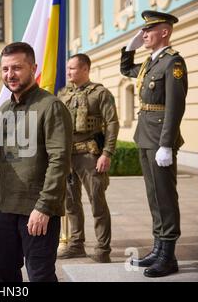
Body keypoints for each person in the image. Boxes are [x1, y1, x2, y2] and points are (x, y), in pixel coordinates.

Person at [0, 42, 73, 282]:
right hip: (7, 207)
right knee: (3, 269)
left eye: (17, 68)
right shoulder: (4, 109)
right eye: (5, 69)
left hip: (38, 209)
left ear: (33, 68)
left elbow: (60, 162)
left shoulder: (51, 107)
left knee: (40, 274)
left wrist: (44, 207)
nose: (10, 74)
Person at [120, 10, 187, 277]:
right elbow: (126, 69)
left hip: (160, 138)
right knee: (154, 196)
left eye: (149, 30)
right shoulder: (150, 63)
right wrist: (129, 48)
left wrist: (167, 144)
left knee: (166, 197)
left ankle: (168, 256)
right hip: (145, 135)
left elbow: (175, 106)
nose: (144, 34)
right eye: (143, 31)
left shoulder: (173, 62)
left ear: (165, 32)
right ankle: (159, 249)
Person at [57, 54, 119, 263]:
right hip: (67, 157)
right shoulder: (63, 94)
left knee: (97, 202)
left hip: (90, 155)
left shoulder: (100, 93)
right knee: (71, 203)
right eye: (68, 68)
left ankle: (102, 249)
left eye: (72, 68)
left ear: (85, 69)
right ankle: (76, 245)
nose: (68, 72)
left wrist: (106, 153)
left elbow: (112, 123)